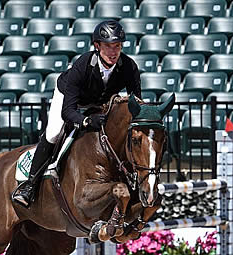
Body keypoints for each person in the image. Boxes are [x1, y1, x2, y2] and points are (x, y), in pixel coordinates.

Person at [13, 20, 142, 208]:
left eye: (117, 46)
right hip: (69, 98)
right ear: (97, 46)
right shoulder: (83, 65)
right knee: (54, 133)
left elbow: (135, 104)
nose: (113, 52)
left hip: (100, 102)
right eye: (108, 46)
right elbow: (68, 112)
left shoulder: (129, 67)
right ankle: (29, 185)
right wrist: (87, 121)